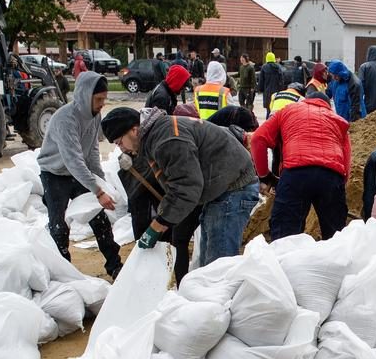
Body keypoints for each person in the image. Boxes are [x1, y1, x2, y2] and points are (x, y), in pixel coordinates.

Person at [105, 107, 260, 268]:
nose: (121, 148)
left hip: (234, 188)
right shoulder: (156, 134)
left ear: (134, 130)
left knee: (218, 265)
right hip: (220, 187)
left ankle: (221, 291)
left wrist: (158, 225)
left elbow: (186, 186)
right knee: (209, 264)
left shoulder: (166, 140)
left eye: (120, 142)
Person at [36, 72, 122, 279]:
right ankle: (63, 274)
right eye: (99, 99)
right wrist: (98, 191)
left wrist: (101, 182)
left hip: (79, 173)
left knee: (99, 219)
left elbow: (91, 151)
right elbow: (73, 159)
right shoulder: (65, 119)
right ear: (85, 95)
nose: (102, 104)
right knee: (59, 225)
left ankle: (115, 266)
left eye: (104, 99)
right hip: (55, 173)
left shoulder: (94, 117)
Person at [251, 92, 351, 240]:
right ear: (328, 107)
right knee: (336, 237)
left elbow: (257, 139)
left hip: (295, 174)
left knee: (285, 236)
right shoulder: (338, 121)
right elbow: (346, 161)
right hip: (331, 174)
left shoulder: (287, 111)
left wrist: (264, 175)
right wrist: (337, 186)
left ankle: (283, 261)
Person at [259, 51, 284, 118]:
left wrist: (260, 89)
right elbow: (281, 80)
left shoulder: (264, 67)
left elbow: (261, 80)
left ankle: (268, 123)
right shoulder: (278, 67)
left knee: (268, 109)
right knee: (276, 109)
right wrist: (281, 90)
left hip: (267, 91)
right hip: (277, 92)